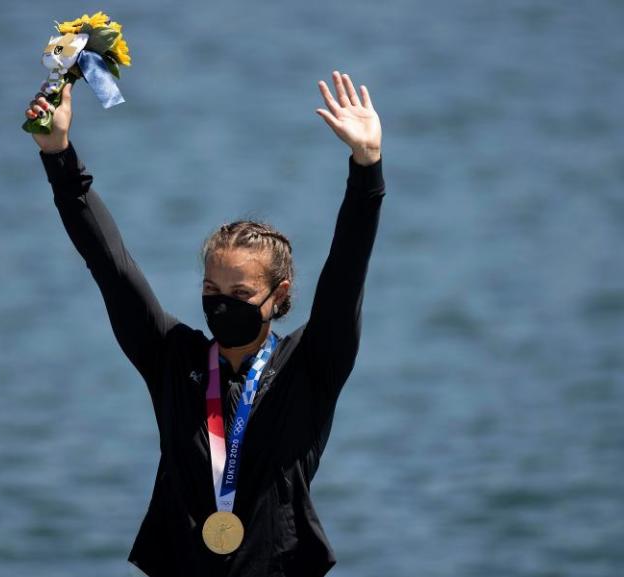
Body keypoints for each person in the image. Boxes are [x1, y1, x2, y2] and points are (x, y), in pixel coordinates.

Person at [23, 70, 385, 577]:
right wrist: (57, 154)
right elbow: (110, 265)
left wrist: (366, 166)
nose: (220, 306)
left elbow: (347, 272)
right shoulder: (171, 357)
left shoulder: (312, 366)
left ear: (278, 297)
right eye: (211, 292)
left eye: (240, 295)